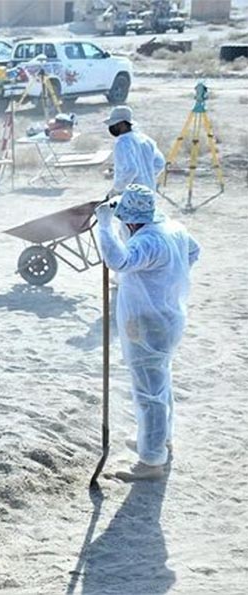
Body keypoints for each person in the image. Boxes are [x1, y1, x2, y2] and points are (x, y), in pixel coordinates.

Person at [95, 185, 200, 481]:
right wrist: (167, 278)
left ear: (130, 220)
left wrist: (104, 225)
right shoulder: (172, 228)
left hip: (148, 323)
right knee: (160, 383)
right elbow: (194, 250)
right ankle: (159, 439)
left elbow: (118, 260)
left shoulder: (150, 241)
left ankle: (151, 460)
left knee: (148, 392)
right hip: (168, 316)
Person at [104, 106, 166, 199]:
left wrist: (117, 190)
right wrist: (146, 176)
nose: (112, 127)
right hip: (149, 193)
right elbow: (160, 163)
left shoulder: (122, 142)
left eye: (114, 124)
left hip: (131, 198)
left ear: (122, 124)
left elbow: (131, 170)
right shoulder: (145, 139)